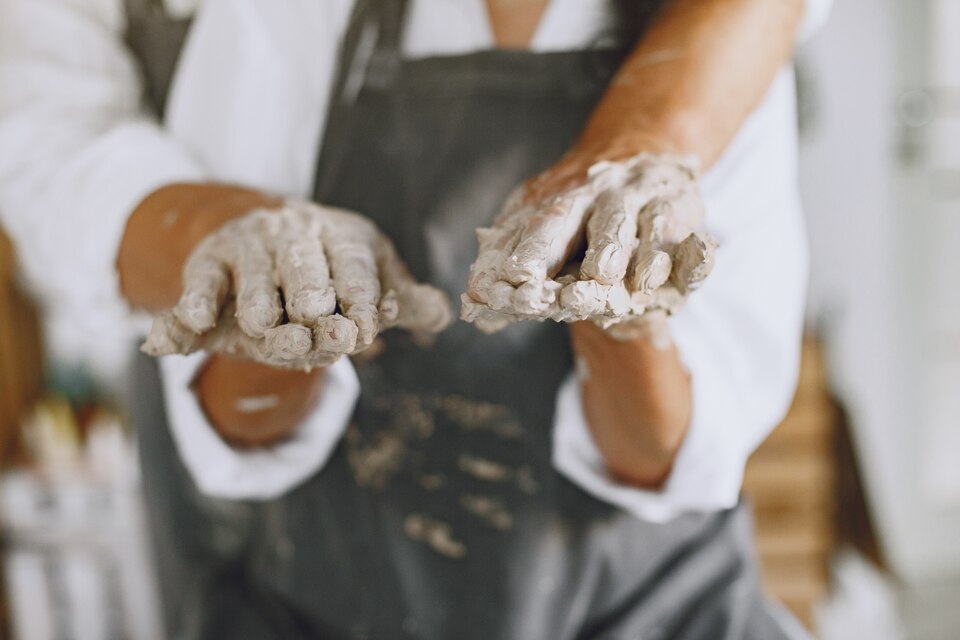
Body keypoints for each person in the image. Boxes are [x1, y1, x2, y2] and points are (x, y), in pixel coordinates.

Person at [0, 0, 831, 637]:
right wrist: (281, 300)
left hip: (654, 610)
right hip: (314, 599)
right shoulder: (275, 27)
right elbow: (233, 420)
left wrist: (620, 319)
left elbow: (665, 452)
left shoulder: (716, 47)